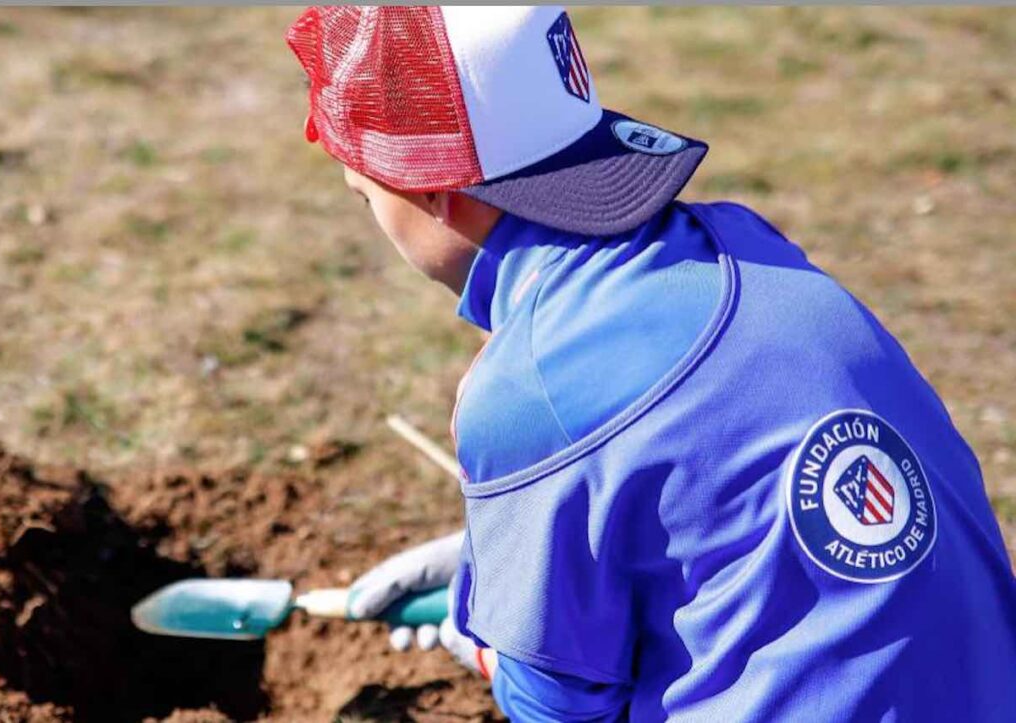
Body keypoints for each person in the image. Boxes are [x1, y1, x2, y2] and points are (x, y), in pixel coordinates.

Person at [285, 6, 1016, 721]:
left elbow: (559, 710)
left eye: (365, 192)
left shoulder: (535, 385)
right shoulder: (747, 242)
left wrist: (493, 642)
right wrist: (505, 564)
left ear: (432, 189)